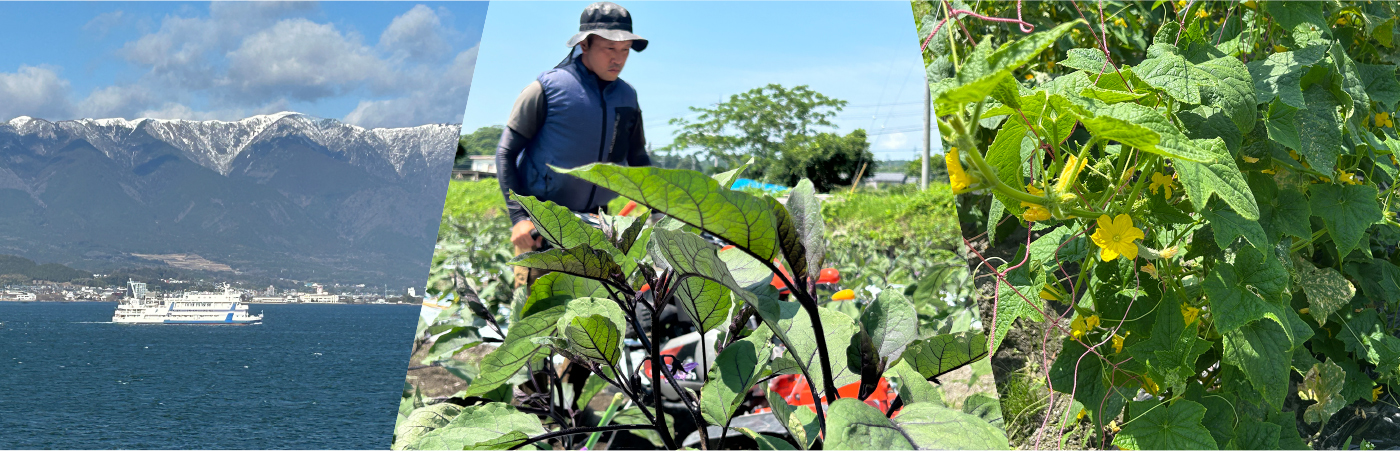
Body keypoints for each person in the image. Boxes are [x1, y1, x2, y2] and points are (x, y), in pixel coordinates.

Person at [495, 2, 651, 288]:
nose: (618, 58)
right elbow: (506, 152)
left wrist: (662, 211)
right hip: (540, 227)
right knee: (536, 316)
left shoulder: (627, 97)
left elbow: (639, 159)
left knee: (588, 318)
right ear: (585, 45)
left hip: (595, 226)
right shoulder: (545, 89)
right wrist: (519, 217)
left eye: (625, 50)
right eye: (609, 48)